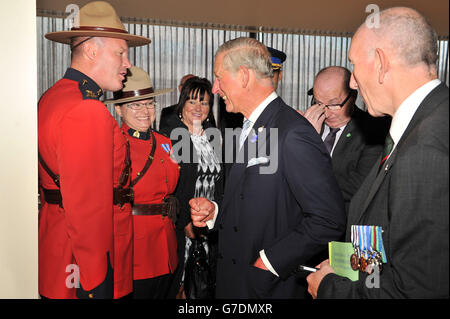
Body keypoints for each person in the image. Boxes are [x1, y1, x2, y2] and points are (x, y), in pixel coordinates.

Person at [307, 7, 449, 299]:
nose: (354, 84)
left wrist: (330, 288)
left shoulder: (425, 149)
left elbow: (414, 291)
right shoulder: (424, 123)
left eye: (355, 67)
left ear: (381, 62)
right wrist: (348, 267)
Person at [190, 37, 346, 298]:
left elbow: (328, 219)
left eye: (219, 77)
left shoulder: (293, 131)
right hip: (236, 281)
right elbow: (254, 198)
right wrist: (216, 212)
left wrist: (270, 261)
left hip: (267, 287)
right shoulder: (252, 125)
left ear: (243, 76)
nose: (215, 88)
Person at [38, 1, 150, 299]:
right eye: (121, 53)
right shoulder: (87, 110)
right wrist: (96, 283)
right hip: (81, 266)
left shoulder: (53, 97)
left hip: (58, 251)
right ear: (91, 51)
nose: (128, 63)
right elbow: (87, 211)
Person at [105, 66, 179, 299]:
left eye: (149, 104)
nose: (144, 111)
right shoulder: (112, 146)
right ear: (118, 109)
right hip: (136, 249)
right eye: (135, 105)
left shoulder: (166, 143)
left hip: (167, 246)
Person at [160, 76, 224, 298]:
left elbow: (220, 183)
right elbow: (170, 187)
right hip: (183, 226)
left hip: (209, 225)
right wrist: (186, 221)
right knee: (180, 285)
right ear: (182, 103)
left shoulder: (214, 137)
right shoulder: (171, 137)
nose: (198, 108)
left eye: (204, 102)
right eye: (192, 101)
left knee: (203, 286)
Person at [302, 66, 390, 212]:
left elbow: (356, 186)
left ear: (353, 97)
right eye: (318, 103)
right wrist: (306, 138)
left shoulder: (374, 131)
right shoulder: (307, 124)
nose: (326, 113)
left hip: (343, 221)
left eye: (334, 104)